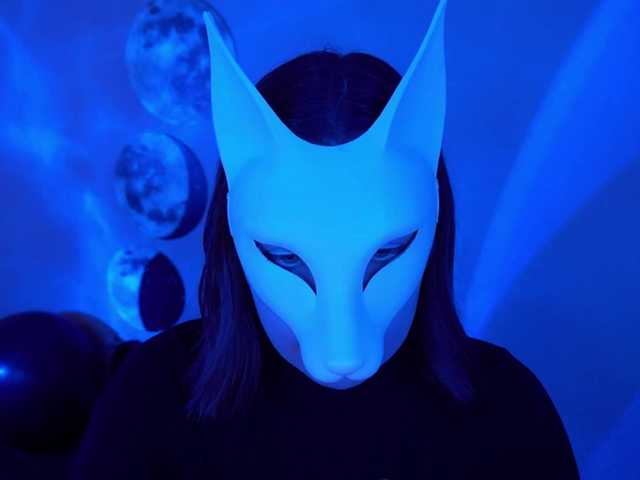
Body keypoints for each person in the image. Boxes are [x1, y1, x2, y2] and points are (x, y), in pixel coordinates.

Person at [69, 1, 580, 478]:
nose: (343, 354)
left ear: (436, 224)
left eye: (386, 253)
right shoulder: (153, 399)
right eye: (286, 258)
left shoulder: (506, 409)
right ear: (232, 234)